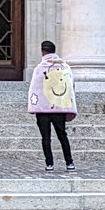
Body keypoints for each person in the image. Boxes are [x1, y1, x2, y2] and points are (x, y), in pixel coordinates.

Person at [27, 40, 77, 172]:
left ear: (43, 52)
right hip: (59, 107)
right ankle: (69, 162)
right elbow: (71, 85)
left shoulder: (39, 68)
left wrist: (34, 104)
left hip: (42, 109)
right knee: (62, 135)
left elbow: (35, 88)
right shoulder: (65, 66)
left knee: (46, 137)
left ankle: (49, 163)